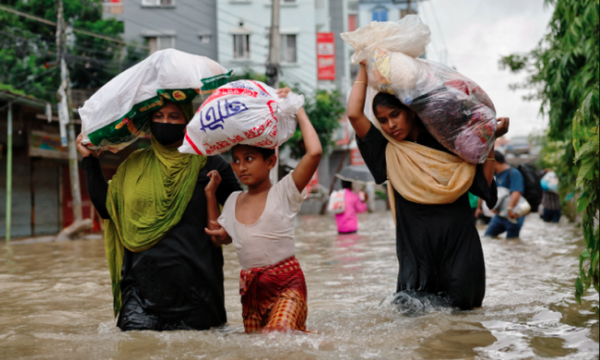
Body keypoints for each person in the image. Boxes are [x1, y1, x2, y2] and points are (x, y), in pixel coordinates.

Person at [346, 61, 509, 310]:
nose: (390, 124)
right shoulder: (388, 151)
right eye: (383, 120)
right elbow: (354, 114)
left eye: (395, 115)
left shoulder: (448, 142)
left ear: (411, 112)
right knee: (415, 322)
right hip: (417, 254)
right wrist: (363, 68)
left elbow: (482, 187)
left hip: (459, 248)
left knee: (464, 322)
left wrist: (490, 140)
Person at [77, 100, 242, 331]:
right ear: (149, 121)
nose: (166, 122)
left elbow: (242, 209)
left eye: (174, 116)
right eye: (159, 116)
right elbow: (107, 209)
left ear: (187, 121)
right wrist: (90, 160)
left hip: (198, 293)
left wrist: (229, 229)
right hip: (140, 294)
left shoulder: (210, 163)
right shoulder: (134, 165)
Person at [205, 88, 322, 333]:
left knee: (277, 336)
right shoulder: (234, 199)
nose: (240, 167)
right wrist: (210, 195)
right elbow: (219, 238)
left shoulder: (283, 192)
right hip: (251, 290)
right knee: (258, 349)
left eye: (249, 158)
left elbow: (315, 152)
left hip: (288, 284)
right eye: (235, 160)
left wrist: (295, 106)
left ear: (270, 162)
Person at [484, 151, 526, 239]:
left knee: (512, 242)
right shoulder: (497, 174)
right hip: (500, 215)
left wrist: (510, 208)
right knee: (487, 236)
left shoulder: (514, 173)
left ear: (494, 162)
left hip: (512, 214)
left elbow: (516, 192)